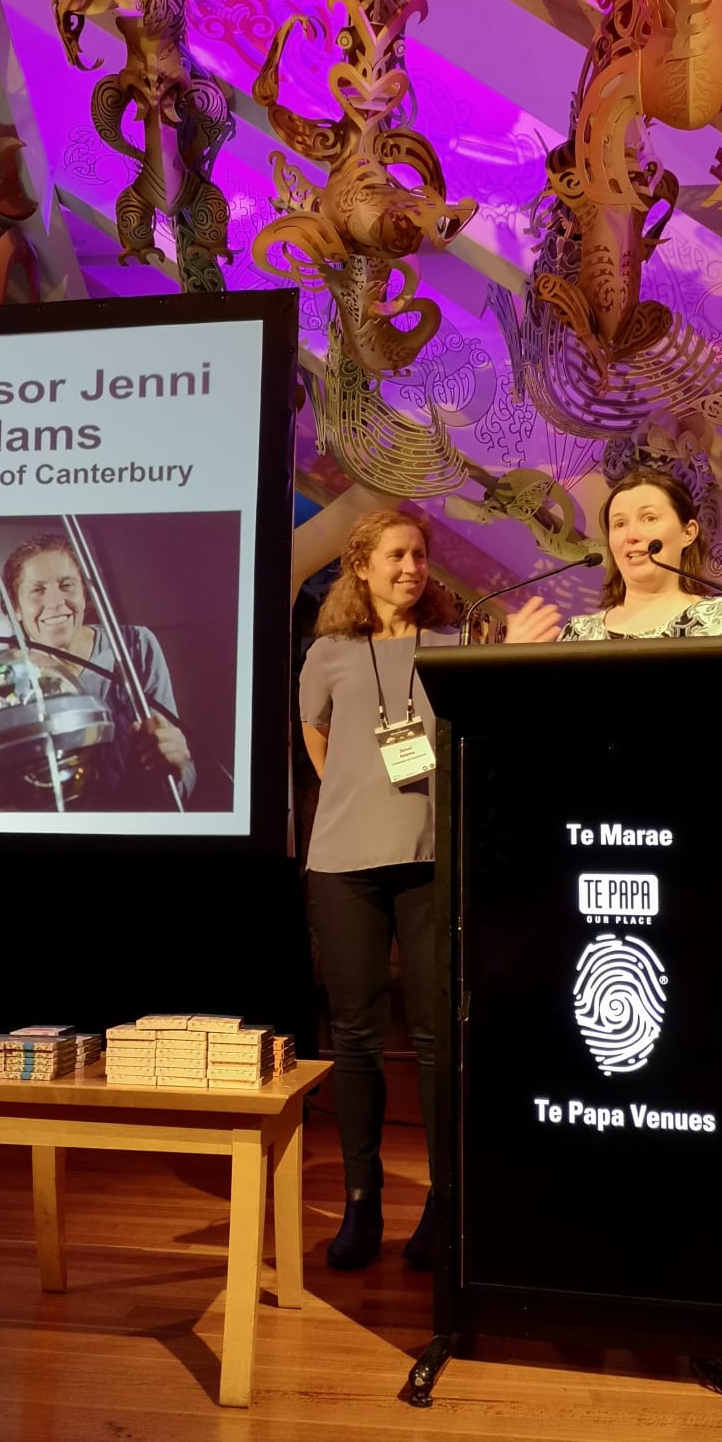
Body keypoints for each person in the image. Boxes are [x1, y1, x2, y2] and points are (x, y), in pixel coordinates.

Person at [299, 508, 458, 1271]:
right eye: (396, 554)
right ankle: (363, 1204)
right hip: (344, 864)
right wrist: (351, 792)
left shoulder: (456, 646)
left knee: (433, 1039)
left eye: (420, 555)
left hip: (428, 859)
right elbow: (315, 732)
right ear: (360, 565)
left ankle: (442, 1203)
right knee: (356, 1037)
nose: (411, 567)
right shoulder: (328, 652)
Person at [0, 534, 195, 807]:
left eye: (67, 585)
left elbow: (178, 786)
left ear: (84, 594)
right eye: (38, 590)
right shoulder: (4, 683)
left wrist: (178, 763)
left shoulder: (136, 646)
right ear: (15, 608)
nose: (56, 601)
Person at [503, 470, 722, 644]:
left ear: (688, 532)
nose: (632, 535)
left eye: (649, 518)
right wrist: (511, 667)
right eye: (619, 524)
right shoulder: (578, 635)